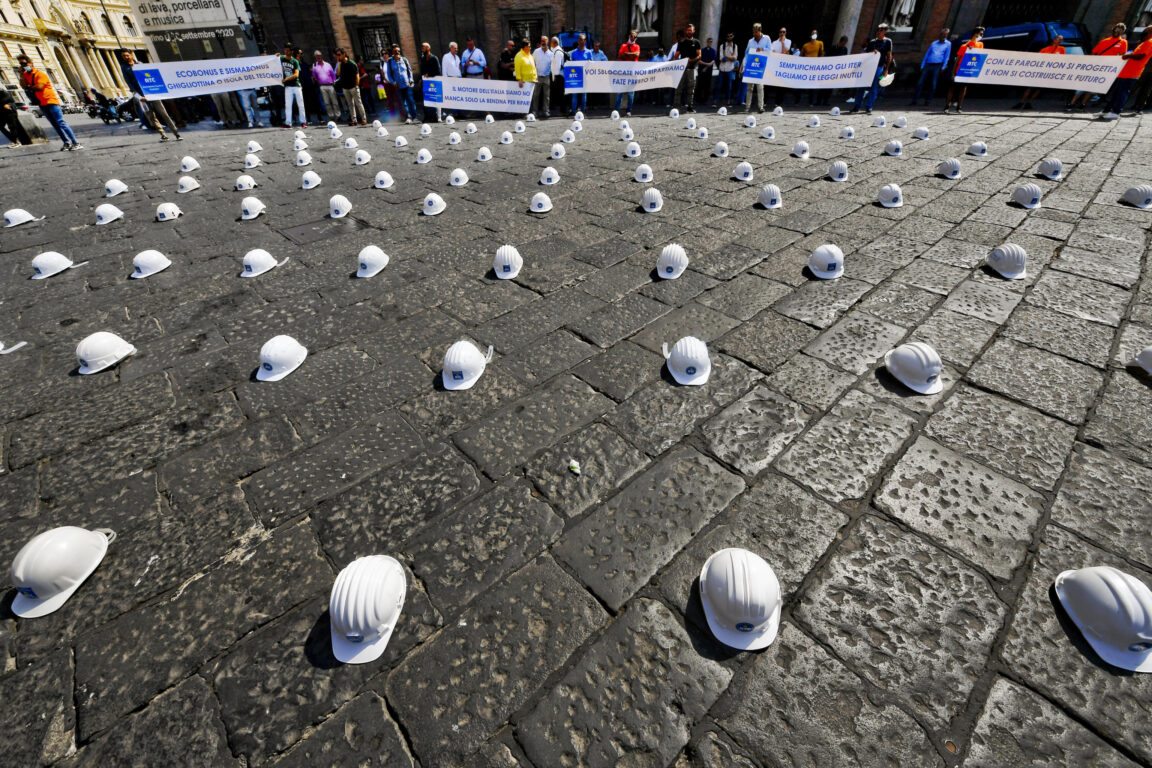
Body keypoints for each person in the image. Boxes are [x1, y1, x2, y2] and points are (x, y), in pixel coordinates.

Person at [18, 54, 81, 150]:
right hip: (41, 103)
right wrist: (21, 75)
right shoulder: (26, 75)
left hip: (51, 101)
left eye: (24, 63)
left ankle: (76, 143)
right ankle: (66, 142)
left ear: (31, 63)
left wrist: (29, 87)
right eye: (21, 64)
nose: (23, 66)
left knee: (60, 122)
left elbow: (39, 87)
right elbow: (23, 86)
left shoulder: (40, 74)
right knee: (55, 125)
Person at [119, 49, 181, 141]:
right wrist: (140, 97)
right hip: (140, 96)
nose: (126, 57)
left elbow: (151, 78)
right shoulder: (124, 67)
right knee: (151, 116)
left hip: (151, 93)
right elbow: (130, 84)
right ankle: (163, 134)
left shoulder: (140, 64)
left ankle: (176, 133)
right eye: (124, 56)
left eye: (127, 55)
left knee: (164, 113)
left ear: (131, 55)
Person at [1068, 24, 1128, 111]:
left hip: (1107, 68)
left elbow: (1122, 56)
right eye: (1115, 30)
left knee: (1093, 87)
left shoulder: (1123, 42)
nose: (1116, 32)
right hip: (1096, 66)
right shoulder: (1104, 41)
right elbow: (1094, 52)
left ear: (1122, 32)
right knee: (1083, 84)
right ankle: (1072, 103)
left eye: (1119, 31)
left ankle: (1082, 104)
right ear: (1113, 30)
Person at [1103, 26, 1152, 118]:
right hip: (1126, 71)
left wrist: (1128, 56)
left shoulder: (1149, 42)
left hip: (1132, 72)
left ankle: (1116, 112)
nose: (1145, 31)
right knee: (1117, 92)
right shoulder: (1144, 42)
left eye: (1147, 30)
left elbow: (1141, 56)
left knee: (1122, 93)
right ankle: (1106, 110)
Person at [851, 23, 892, 114]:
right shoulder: (872, 42)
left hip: (879, 67)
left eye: (881, 30)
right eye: (878, 30)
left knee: (874, 88)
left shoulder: (888, 41)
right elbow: (866, 53)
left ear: (885, 31)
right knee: (861, 86)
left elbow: (889, 56)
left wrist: (886, 69)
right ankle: (857, 106)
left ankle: (869, 106)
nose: (878, 31)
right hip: (868, 67)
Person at [1014, 35, 1062, 109]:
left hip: (1048, 73)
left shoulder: (1061, 49)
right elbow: (1037, 58)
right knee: (1030, 87)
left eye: (1061, 40)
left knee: (1038, 89)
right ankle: (1021, 102)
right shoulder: (1045, 49)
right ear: (1054, 40)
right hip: (1039, 71)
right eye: (1058, 39)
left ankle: (1029, 103)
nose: (1060, 41)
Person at [943, 27, 981, 114]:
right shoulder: (964, 46)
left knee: (963, 88)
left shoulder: (979, 45)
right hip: (959, 69)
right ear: (975, 34)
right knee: (952, 88)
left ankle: (959, 106)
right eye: (980, 34)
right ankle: (947, 106)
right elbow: (957, 60)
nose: (981, 36)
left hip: (968, 70)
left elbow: (979, 57)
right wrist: (953, 73)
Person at [912, 28, 950, 106]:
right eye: (942, 34)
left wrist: (943, 67)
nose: (943, 36)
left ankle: (928, 100)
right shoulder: (934, 43)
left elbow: (947, 56)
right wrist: (922, 65)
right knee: (920, 83)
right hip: (928, 64)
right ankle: (915, 100)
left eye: (945, 35)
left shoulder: (948, 44)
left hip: (938, 65)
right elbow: (927, 54)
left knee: (933, 84)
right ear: (940, 34)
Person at [384, 46, 418, 123]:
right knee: (403, 102)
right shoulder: (390, 61)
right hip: (398, 86)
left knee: (411, 101)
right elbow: (389, 74)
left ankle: (414, 116)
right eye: (395, 51)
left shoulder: (404, 60)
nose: (397, 53)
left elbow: (410, 72)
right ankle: (408, 117)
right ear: (392, 53)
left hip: (407, 84)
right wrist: (393, 82)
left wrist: (410, 81)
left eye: (398, 51)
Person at [743, 23, 770, 112]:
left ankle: (760, 106)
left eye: (756, 32)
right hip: (751, 65)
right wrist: (743, 65)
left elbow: (770, 50)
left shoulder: (766, 38)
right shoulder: (750, 41)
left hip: (761, 66)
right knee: (750, 87)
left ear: (760, 31)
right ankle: (747, 107)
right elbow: (746, 54)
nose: (754, 34)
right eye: (753, 32)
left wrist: (762, 50)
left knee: (760, 87)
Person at [335, 48, 366, 125]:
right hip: (345, 87)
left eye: (339, 55)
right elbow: (338, 74)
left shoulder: (352, 63)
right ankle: (354, 120)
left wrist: (356, 85)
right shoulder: (341, 64)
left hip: (353, 87)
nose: (338, 56)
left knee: (358, 103)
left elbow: (357, 75)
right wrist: (338, 63)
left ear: (344, 54)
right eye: (337, 55)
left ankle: (364, 119)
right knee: (350, 105)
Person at [675, 23, 701, 111]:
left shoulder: (696, 42)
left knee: (691, 88)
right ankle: (676, 106)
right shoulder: (681, 42)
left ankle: (690, 106)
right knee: (679, 88)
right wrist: (682, 62)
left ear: (694, 31)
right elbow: (676, 55)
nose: (689, 32)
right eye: (688, 30)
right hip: (682, 69)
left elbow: (699, 55)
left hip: (692, 69)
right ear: (686, 31)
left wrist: (690, 60)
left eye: (691, 30)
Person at [280, 44, 306, 127]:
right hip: (288, 86)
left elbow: (296, 75)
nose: (286, 51)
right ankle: (288, 122)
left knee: (300, 104)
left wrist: (286, 79)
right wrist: (276, 56)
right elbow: (275, 59)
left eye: (288, 50)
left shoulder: (295, 61)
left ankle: (303, 121)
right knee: (288, 105)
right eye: (285, 50)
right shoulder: (282, 58)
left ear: (291, 51)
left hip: (296, 85)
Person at [616, 29, 641, 115]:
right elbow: (620, 55)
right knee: (620, 92)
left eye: (635, 36)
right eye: (632, 36)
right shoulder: (623, 45)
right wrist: (632, 55)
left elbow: (637, 55)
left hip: (632, 72)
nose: (633, 38)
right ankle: (617, 110)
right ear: (629, 36)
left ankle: (628, 110)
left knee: (631, 93)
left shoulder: (637, 46)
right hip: (623, 72)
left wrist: (627, 54)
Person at [513, 38, 538, 118]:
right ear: (524, 47)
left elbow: (533, 67)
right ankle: (524, 113)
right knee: (525, 98)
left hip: (532, 80)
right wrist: (519, 79)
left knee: (532, 98)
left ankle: (531, 113)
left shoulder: (530, 56)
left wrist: (535, 77)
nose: (530, 48)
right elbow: (517, 68)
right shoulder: (519, 56)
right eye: (529, 46)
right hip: (525, 81)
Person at [312, 50, 341, 120]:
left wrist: (334, 82)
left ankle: (338, 115)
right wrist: (318, 81)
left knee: (335, 102)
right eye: (317, 56)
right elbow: (314, 76)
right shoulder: (314, 65)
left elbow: (333, 74)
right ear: (315, 57)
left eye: (320, 55)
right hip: (322, 86)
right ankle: (331, 116)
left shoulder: (327, 64)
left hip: (330, 85)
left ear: (321, 56)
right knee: (327, 103)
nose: (319, 57)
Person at [800, 29, 824, 105]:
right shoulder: (805, 45)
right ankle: (798, 100)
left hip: (814, 67)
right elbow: (801, 56)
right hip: (806, 67)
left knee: (812, 85)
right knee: (801, 83)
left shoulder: (820, 43)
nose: (814, 34)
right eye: (813, 33)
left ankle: (811, 102)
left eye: (815, 33)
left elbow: (822, 54)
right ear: (810, 35)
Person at [569, 34, 592, 114]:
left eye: (582, 39)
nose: (581, 41)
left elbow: (592, 64)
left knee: (583, 95)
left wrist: (590, 63)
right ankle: (573, 111)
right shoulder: (574, 53)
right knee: (574, 94)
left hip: (585, 76)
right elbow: (571, 64)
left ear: (585, 41)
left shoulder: (589, 52)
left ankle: (583, 111)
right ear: (578, 41)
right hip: (576, 76)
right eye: (579, 39)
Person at [715, 31, 738, 107]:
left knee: (729, 87)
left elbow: (735, 58)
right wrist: (730, 57)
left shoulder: (735, 46)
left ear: (733, 36)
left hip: (730, 69)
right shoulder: (722, 46)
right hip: (722, 68)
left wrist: (727, 56)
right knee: (719, 86)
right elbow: (721, 58)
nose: (729, 37)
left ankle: (728, 101)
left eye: (730, 36)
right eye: (728, 36)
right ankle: (716, 101)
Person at [770, 26, 791, 106]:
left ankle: (778, 102)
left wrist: (782, 43)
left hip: (783, 66)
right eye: (781, 32)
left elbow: (784, 51)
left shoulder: (788, 41)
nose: (782, 33)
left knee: (781, 85)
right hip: (775, 65)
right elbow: (772, 53)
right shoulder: (774, 42)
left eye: (783, 32)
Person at [420, 42, 441, 122]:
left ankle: (438, 116)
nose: (422, 49)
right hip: (426, 82)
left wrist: (429, 75)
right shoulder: (422, 58)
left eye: (423, 47)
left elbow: (438, 71)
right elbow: (422, 70)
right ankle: (427, 117)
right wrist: (420, 79)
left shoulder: (434, 58)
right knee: (426, 100)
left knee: (436, 99)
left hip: (434, 81)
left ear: (428, 48)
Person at [534, 36, 553, 117]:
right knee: (536, 95)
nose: (543, 42)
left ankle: (546, 111)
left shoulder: (551, 53)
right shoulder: (536, 52)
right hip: (537, 76)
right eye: (542, 41)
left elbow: (552, 65)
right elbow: (533, 63)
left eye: (544, 41)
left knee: (546, 96)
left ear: (547, 41)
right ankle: (535, 111)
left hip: (546, 77)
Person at [549, 37, 566, 113]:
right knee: (558, 93)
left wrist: (555, 75)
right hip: (557, 75)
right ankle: (559, 108)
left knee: (560, 93)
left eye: (551, 42)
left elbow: (558, 65)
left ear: (554, 43)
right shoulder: (555, 51)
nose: (550, 44)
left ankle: (563, 109)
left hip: (559, 76)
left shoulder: (558, 51)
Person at [698, 37, 716, 104]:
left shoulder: (713, 51)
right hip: (701, 70)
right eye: (708, 41)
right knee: (700, 85)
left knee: (707, 85)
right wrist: (706, 64)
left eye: (711, 42)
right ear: (707, 42)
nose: (709, 43)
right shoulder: (702, 50)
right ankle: (699, 99)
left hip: (708, 71)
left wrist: (706, 67)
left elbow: (713, 61)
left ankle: (706, 99)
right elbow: (699, 60)